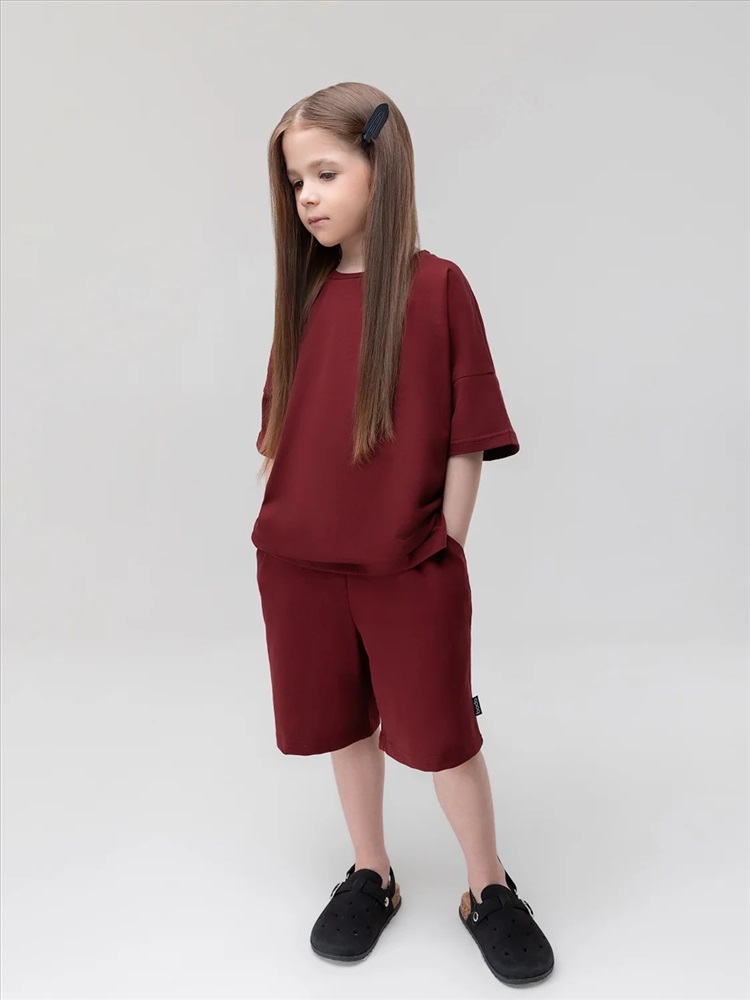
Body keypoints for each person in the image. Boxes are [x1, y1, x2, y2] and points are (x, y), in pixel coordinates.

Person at [250, 82, 554, 987]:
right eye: (295, 181)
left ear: (382, 167)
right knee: (345, 726)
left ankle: (487, 886)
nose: (307, 197)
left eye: (325, 173)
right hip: (301, 566)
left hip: (407, 565)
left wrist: (443, 550)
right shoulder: (305, 295)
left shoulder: (438, 288)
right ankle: (371, 873)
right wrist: (280, 516)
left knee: (444, 735)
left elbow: (468, 435)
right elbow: (280, 430)